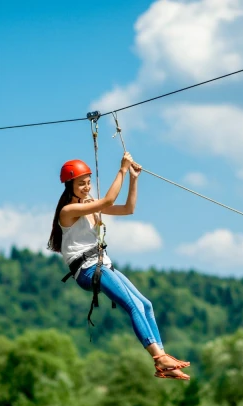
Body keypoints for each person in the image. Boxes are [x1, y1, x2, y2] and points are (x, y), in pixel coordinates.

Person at [47, 152, 190, 380]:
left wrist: (133, 178)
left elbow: (127, 209)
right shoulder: (68, 211)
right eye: (81, 184)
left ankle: (163, 360)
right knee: (132, 305)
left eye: (88, 182)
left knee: (145, 305)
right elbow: (108, 202)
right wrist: (121, 169)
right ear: (69, 186)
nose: (86, 187)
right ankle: (158, 358)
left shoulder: (89, 205)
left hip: (102, 264)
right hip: (88, 269)